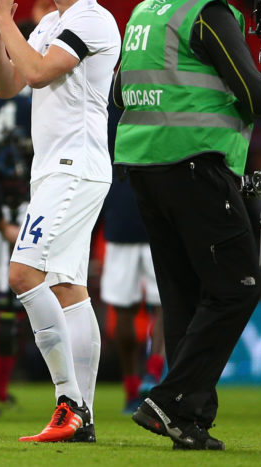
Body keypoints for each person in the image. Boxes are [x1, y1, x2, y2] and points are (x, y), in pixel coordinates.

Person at [114, 0, 261, 450]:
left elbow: (121, 96)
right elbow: (255, 97)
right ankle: (167, 400)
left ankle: (189, 418)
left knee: (184, 297)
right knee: (240, 286)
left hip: (144, 168)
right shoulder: (208, 11)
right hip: (194, 165)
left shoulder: (143, 12)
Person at [0, 0, 120, 443]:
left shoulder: (92, 19)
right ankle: (83, 417)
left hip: (75, 165)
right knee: (66, 288)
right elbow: (7, 85)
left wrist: (6, 24)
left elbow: (37, 72)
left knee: (22, 273)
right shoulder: (47, 23)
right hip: (54, 168)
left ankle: (69, 401)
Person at [101, 102, 165, 415]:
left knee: (122, 308)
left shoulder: (106, 103)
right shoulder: (161, 95)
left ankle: (131, 388)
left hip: (120, 210)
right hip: (157, 208)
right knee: (163, 304)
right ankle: (153, 373)